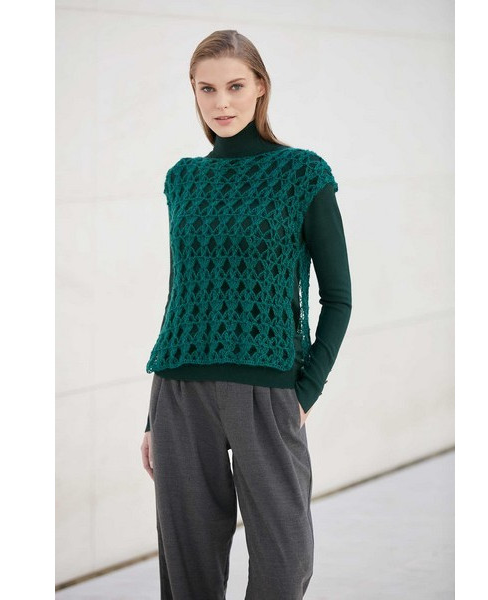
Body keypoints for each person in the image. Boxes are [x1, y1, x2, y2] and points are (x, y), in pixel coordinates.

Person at [139, 29, 352, 600]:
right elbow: (183, 295)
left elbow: (339, 296)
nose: (221, 103)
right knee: (188, 568)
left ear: (260, 86)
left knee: (286, 559)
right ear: (193, 91)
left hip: (267, 390)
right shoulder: (184, 179)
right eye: (206, 89)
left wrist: (306, 390)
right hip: (179, 392)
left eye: (235, 86)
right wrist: (151, 417)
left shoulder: (302, 173)